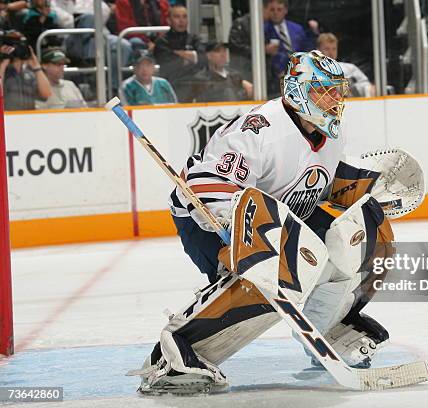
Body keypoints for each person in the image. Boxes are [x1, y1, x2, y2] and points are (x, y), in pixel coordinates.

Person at [134, 50, 400, 394]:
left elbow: (322, 186)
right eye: (324, 90)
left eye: (337, 91)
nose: (334, 100)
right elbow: (204, 185)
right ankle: (177, 353)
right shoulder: (260, 131)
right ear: (297, 91)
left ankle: (329, 327)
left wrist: (365, 192)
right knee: (265, 275)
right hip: (205, 216)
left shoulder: (332, 132)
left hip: (282, 215)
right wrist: (236, 244)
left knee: (366, 232)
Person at [153, 4, 205, 102]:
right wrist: (193, 57)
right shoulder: (162, 42)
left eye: (184, 17)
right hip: (173, 84)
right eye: (177, 17)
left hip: (196, 83)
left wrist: (181, 55)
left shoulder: (194, 39)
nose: (181, 20)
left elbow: (204, 59)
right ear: (169, 20)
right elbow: (170, 65)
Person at [264, 0, 318, 95]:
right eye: (272, 10)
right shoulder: (263, 29)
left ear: (285, 10)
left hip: (300, 72)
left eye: (279, 9)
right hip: (276, 78)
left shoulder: (297, 28)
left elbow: (306, 48)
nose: (275, 13)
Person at [0, 31, 52, 110]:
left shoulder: (30, 72)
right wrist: (3, 63)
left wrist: (37, 67)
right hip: (6, 118)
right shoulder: (2, 71)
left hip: (27, 118)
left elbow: (46, 94)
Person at [186, 42, 252, 103]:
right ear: (209, 55)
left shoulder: (235, 75)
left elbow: (242, 97)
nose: (223, 54)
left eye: (224, 51)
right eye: (218, 51)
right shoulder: (201, 78)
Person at [317, 32, 375, 97]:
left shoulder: (350, 68)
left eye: (334, 49)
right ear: (318, 51)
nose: (331, 53)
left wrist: (369, 89)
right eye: (327, 49)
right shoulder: (311, 72)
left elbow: (366, 86)